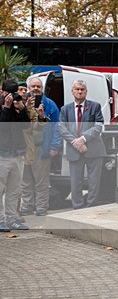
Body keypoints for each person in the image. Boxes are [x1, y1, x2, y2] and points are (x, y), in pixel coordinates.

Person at [59, 79, 105, 209]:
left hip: (94, 149)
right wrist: (76, 143)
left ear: (86, 92)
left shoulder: (95, 106)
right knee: (75, 182)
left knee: (94, 181)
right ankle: (77, 207)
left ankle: (91, 206)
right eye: (77, 89)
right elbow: (62, 128)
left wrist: (83, 139)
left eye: (82, 89)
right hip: (74, 150)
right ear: (72, 91)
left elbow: (98, 126)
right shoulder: (65, 109)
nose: (79, 91)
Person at [19, 76, 61, 216]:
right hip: (24, 148)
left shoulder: (50, 104)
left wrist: (54, 146)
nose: (36, 89)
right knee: (26, 181)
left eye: (38, 86)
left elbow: (57, 126)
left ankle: (41, 207)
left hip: (41, 147)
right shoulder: (22, 103)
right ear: (29, 88)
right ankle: (27, 206)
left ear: (42, 88)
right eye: (33, 86)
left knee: (41, 182)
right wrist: (26, 108)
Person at [0, 79, 31, 231]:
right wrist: (6, 107)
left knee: (14, 190)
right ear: (2, 92)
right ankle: (0, 220)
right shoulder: (3, 105)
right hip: (2, 154)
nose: (11, 96)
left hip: (18, 153)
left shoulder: (17, 104)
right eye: (9, 93)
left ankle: (12, 219)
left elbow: (26, 125)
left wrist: (22, 108)